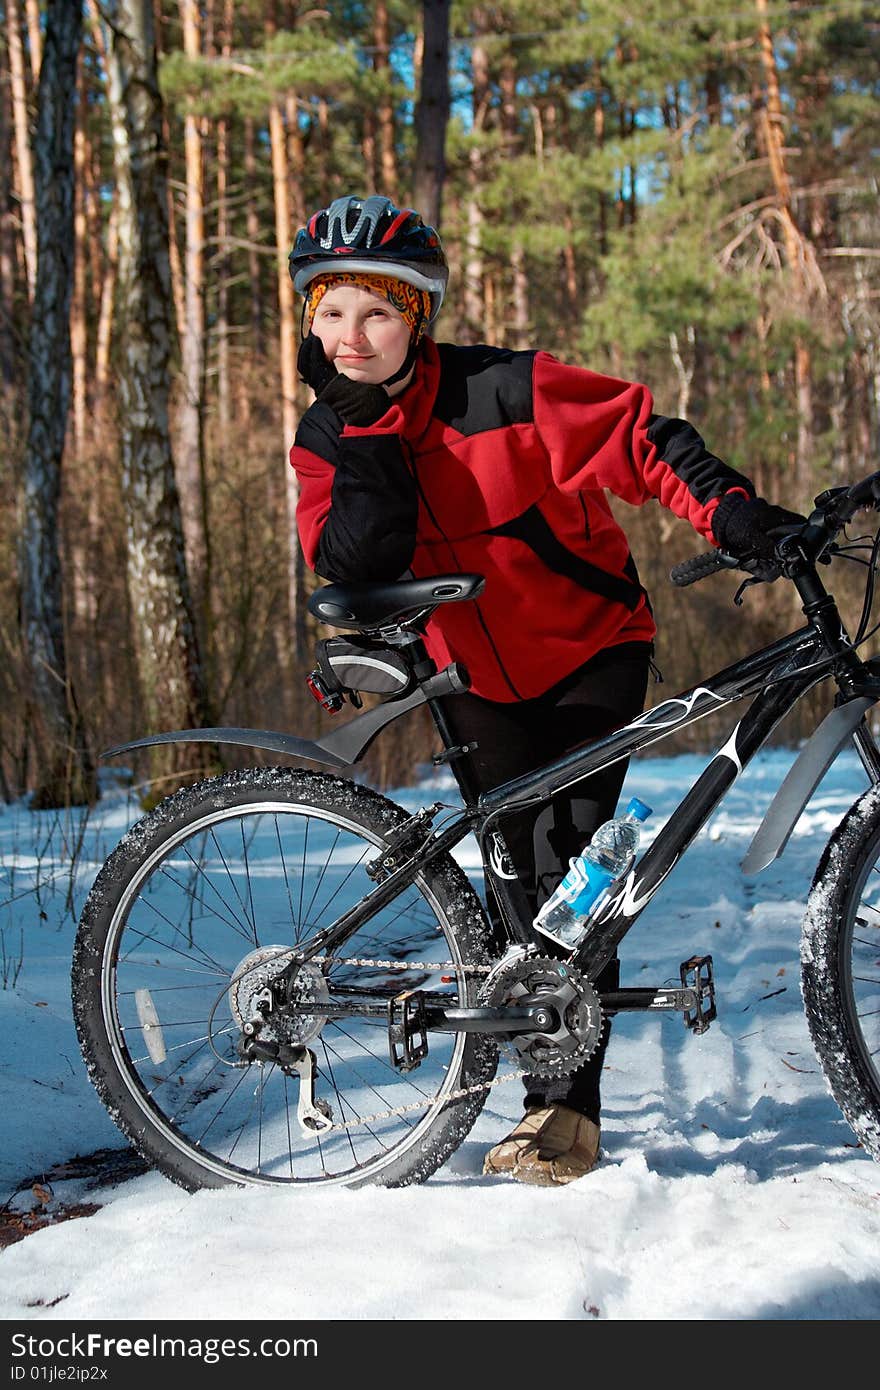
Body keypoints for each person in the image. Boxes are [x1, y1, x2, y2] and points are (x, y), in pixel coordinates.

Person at [288, 194, 803, 1186]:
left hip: (587, 651)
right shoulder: (324, 438)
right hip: (466, 672)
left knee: (577, 874)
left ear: (419, 316)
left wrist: (728, 511)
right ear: (310, 322)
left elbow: (642, 437)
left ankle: (560, 1117)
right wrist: (364, 435)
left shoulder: (509, 390)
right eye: (330, 312)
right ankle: (534, 1073)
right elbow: (350, 560)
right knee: (517, 882)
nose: (351, 336)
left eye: (377, 312)